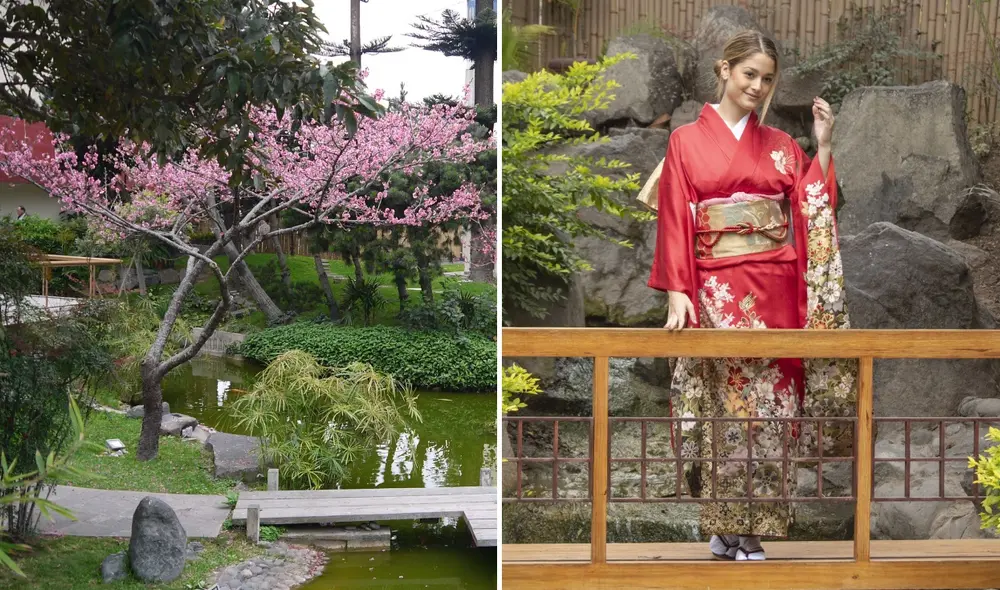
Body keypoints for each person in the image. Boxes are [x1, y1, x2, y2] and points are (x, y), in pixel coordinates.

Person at [646, 30, 855, 562]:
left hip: (778, 289)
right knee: (728, 407)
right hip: (718, 289)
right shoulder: (685, 141)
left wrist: (824, 147)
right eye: (749, 75)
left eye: (767, 79)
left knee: (775, 411)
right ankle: (733, 529)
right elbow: (675, 217)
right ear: (724, 71)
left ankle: (748, 528)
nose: (758, 87)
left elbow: (812, 207)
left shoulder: (783, 147)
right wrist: (677, 289)